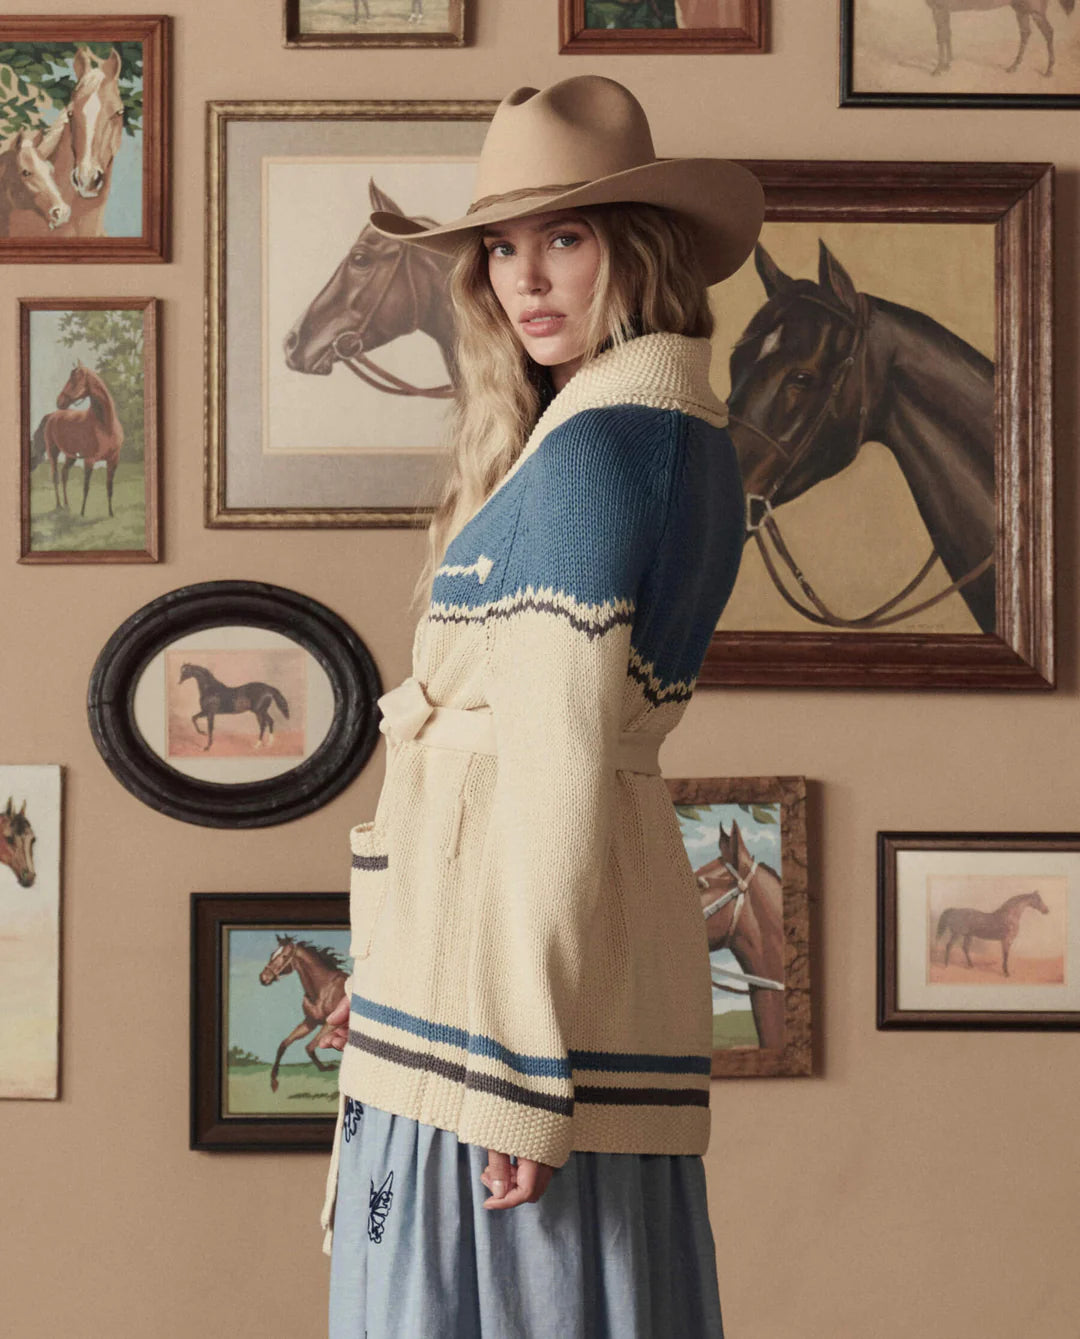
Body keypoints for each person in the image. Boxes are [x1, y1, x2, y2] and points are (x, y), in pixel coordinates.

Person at [320, 73, 764, 1338]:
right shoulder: (611, 436)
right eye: (501, 248)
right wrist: (402, 961)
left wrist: (517, 1078)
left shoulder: (610, 451)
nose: (525, 278)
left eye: (564, 237)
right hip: (474, 987)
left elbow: (555, 768)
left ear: (640, 248)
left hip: (507, 1031)